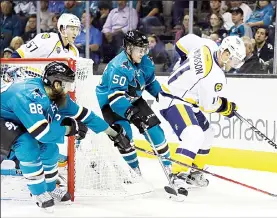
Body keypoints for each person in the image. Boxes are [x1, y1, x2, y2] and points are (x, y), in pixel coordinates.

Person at [0, 62, 131, 210]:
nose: (69, 89)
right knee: (28, 146)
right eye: (67, 84)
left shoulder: (55, 94)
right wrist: (70, 129)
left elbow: (86, 115)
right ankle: (38, 193)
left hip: (18, 119)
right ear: (56, 83)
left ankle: (49, 188)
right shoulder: (29, 95)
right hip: (2, 120)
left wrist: (113, 133)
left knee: (51, 149)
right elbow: (42, 133)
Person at [157, 36, 246, 198]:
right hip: (173, 98)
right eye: (234, 60)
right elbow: (209, 105)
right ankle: (177, 176)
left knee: (207, 133)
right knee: (194, 134)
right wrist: (227, 108)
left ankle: (194, 173)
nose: (234, 65)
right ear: (226, 53)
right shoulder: (215, 77)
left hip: (187, 100)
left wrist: (185, 66)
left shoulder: (207, 44)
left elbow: (182, 43)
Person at [95, 30, 171, 176]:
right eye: (139, 49)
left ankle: (169, 169)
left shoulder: (146, 62)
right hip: (112, 104)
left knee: (155, 131)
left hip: (134, 99)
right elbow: (115, 99)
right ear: (129, 48)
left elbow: (150, 83)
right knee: (125, 136)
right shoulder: (119, 66)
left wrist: (162, 96)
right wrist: (132, 114)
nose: (142, 53)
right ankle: (134, 171)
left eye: (144, 49)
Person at [11, 13, 80, 58]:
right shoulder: (47, 40)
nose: (75, 33)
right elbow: (18, 54)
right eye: (72, 29)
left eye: (77, 29)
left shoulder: (74, 51)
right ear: (62, 29)